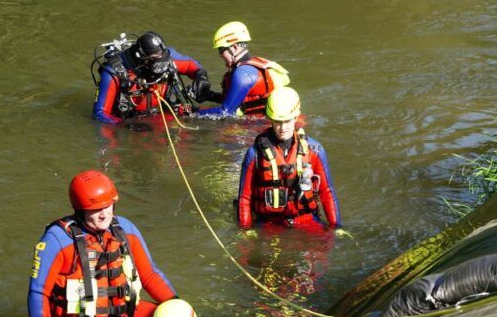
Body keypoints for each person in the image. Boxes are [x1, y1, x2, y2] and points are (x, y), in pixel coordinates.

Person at [28, 170, 177, 317]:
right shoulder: (57, 240)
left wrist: (181, 310)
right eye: (96, 209)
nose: (105, 214)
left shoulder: (125, 229)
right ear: (80, 209)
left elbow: (150, 275)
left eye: (108, 206)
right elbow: (38, 294)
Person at [237, 86, 342, 230]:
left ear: (295, 118)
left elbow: (327, 193)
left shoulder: (315, 150)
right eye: (277, 122)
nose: (282, 127)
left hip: (305, 220)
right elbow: (245, 198)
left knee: (326, 245)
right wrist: (245, 231)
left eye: (287, 121)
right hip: (269, 223)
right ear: (271, 120)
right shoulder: (254, 154)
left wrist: (336, 227)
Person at [92, 31, 211, 124]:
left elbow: (193, 65)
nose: (163, 65)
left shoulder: (166, 56)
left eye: (164, 59)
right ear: (143, 59)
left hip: (164, 113)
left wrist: (201, 76)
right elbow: (100, 113)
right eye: (157, 62)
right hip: (131, 122)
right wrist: (124, 125)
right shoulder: (113, 72)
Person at [193, 21, 290, 117]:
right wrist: (210, 96)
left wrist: (191, 112)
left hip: (264, 126)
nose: (220, 55)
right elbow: (235, 100)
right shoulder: (249, 67)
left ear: (234, 47)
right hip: (270, 122)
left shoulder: (242, 74)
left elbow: (225, 112)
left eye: (221, 50)